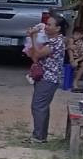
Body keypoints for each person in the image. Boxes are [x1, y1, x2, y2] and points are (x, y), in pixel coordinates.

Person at [26, 11, 68, 142]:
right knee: (42, 106)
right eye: (46, 24)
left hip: (49, 78)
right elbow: (33, 55)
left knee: (38, 106)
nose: (46, 26)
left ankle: (38, 136)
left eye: (50, 24)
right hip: (46, 77)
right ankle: (40, 135)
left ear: (58, 28)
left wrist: (33, 36)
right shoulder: (51, 40)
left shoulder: (57, 42)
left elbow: (37, 54)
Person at [64, 27, 83, 92]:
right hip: (67, 57)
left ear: (81, 35)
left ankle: (75, 81)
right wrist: (69, 46)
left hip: (77, 59)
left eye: (77, 34)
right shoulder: (69, 40)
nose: (74, 36)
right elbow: (62, 48)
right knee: (70, 47)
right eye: (74, 34)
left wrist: (76, 60)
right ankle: (71, 61)